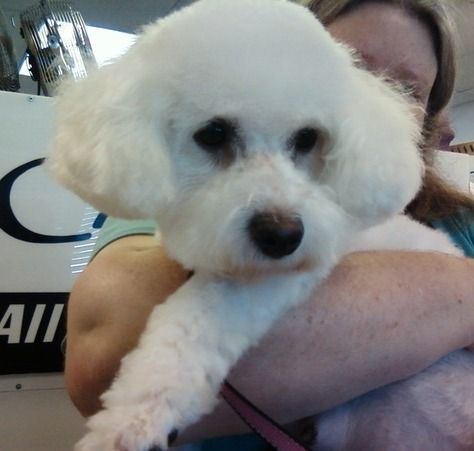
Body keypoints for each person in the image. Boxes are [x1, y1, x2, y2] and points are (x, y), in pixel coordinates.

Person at [64, 0, 474, 449]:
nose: (375, 93)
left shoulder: (461, 222)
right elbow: (100, 364)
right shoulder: (166, 201)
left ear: (431, 112)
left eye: (408, 88)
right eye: (355, 63)